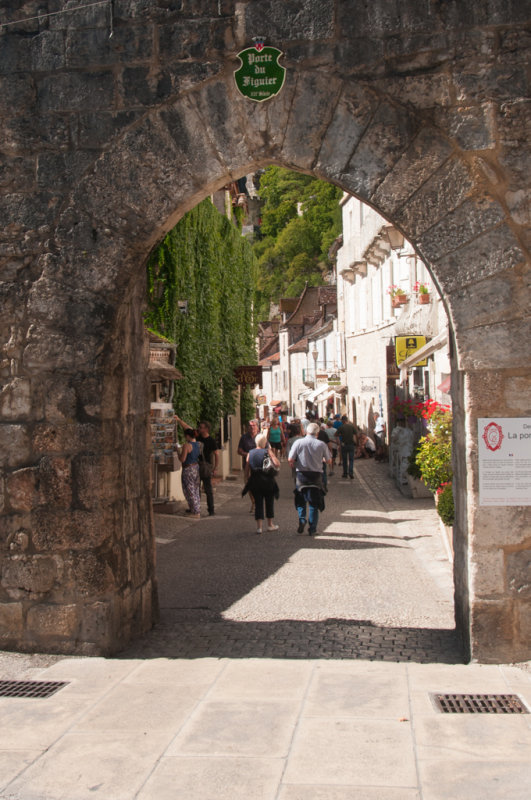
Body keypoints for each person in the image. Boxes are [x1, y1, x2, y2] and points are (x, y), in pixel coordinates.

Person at [288, 422, 331, 535]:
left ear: (306, 431)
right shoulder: (321, 444)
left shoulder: (298, 442)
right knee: (313, 503)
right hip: (316, 476)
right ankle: (312, 529)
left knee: (301, 499)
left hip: (301, 475)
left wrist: (293, 464)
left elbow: (290, 458)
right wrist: (322, 460)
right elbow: (329, 460)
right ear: (317, 433)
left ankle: (302, 519)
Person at [175, 416, 220, 516]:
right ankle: (195, 507)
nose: (199, 428)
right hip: (196, 466)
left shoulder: (211, 440)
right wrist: (178, 420)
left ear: (206, 429)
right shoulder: (197, 438)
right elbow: (187, 428)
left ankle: (210, 510)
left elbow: (216, 454)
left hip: (205, 467)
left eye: (201, 427)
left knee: (207, 489)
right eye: (199, 427)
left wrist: (215, 468)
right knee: (196, 488)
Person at [243, 432, 280, 534]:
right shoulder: (267, 452)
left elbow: (247, 469)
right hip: (268, 480)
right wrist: (272, 455)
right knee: (269, 502)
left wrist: (247, 480)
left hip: (255, 480)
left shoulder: (250, 453)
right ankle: (270, 524)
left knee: (258, 503)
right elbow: (277, 464)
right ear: (265, 442)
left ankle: (259, 527)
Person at [178, 427, 201, 519]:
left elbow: (182, 459)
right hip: (196, 467)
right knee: (195, 489)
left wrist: (177, 451)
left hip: (188, 469)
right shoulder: (197, 444)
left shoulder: (187, 445)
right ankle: (195, 509)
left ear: (187, 436)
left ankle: (195, 512)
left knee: (189, 490)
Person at [238, 419, 259, 511]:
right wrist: (246, 454)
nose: (252, 428)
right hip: (247, 464)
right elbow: (239, 450)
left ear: (257, 427)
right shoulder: (244, 437)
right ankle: (253, 501)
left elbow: (267, 449)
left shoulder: (261, 437)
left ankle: (258, 503)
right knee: (249, 484)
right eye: (250, 426)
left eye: (254, 426)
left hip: (259, 464)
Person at [338, 415, 357, 479]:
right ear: (347, 420)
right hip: (351, 444)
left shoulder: (341, 427)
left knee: (345, 460)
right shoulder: (352, 427)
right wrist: (357, 443)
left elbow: (336, 434)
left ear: (343, 421)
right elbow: (355, 434)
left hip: (344, 445)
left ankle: (345, 473)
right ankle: (351, 473)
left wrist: (341, 434)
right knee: (351, 459)